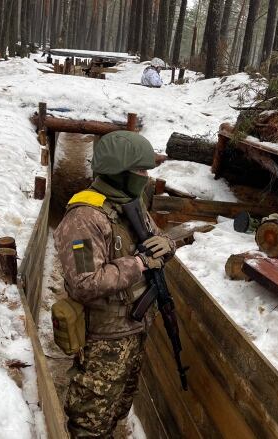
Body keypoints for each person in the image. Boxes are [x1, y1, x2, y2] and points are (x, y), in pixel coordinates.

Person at [53, 131, 176, 438]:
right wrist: (139, 264)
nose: (146, 178)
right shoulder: (83, 219)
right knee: (90, 419)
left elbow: (155, 238)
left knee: (118, 408)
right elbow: (84, 282)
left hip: (135, 330)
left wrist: (166, 243)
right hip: (104, 339)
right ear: (119, 171)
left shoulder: (130, 204)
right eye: (141, 171)